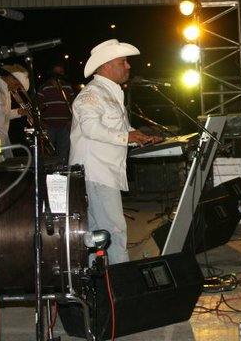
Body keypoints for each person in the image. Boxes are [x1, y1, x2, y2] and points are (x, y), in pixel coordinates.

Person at [69, 39, 162, 265]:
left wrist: (138, 137)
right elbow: (91, 128)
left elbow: (121, 130)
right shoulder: (91, 94)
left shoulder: (110, 93)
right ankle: (122, 280)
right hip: (96, 172)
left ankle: (97, 279)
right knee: (114, 231)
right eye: (123, 62)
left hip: (103, 172)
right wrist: (126, 137)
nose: (128, 66)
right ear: (106, 66)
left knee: (96, 234)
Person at [36, 61, 74, 165]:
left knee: (63, 154)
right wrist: (41, 122)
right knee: (48, 154)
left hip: (65, 126)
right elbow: (38, 107)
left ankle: (62, 172)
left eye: (60, 72)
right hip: (48, 126)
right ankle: (49, 173)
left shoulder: (67, 87)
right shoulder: (44, 87)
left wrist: (71, 120)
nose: (58, 75)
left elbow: (74, 106)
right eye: (56, 72)